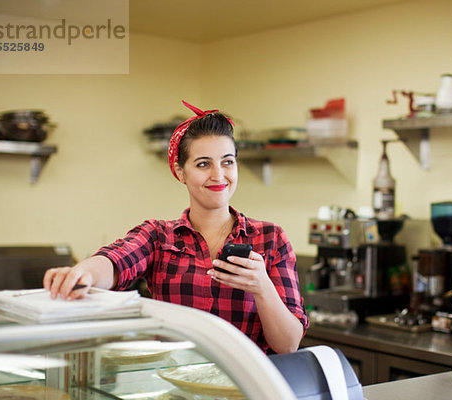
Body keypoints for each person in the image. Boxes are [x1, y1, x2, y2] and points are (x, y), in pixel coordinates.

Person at [43, 101, 309, 354]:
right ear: (180, 172)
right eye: (203, 164)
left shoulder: (270, 238)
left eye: (227, 161)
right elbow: (114, 262)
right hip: (174, 386)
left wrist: (262, 287)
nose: (219, 175)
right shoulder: (158, 236)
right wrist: (80, 275)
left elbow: (287, 345)